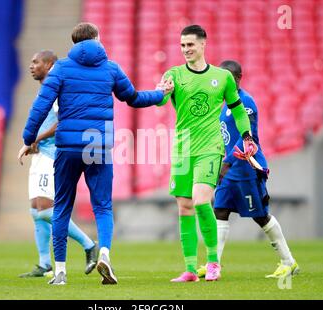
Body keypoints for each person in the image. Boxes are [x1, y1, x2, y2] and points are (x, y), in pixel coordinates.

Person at [19, 23, 173, 285]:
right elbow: (133, 98)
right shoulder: (110, 68)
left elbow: (42, 104)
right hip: (98, 146)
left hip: (67, 148)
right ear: (96, 39)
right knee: (102, 207)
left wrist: (28, 137)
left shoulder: (62, 69)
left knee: (63, 208)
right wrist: (161, 94)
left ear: (74, 41)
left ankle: (60, 272)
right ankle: (104, 254)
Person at [156, 25, 257, 282]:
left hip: (210, 148)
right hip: (182, 149)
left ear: (203, 44)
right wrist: (161, 92)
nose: (186, 50)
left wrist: (247, 137)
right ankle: (190, 269)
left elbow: (237, 109)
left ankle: (213, 263)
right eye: (182, 45)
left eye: (190, 44)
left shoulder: (222, 77)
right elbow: (159, 102)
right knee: (185, 207)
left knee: (201, 201)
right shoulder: (174, 74)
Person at [197, 60, 299, 279]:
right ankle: (214, 264)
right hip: (229, 169)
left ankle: (288, 261)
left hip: (247, 168)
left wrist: (225, 164)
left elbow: (247, 139)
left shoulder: (246, 102)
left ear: (238, 78)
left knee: (260, 215)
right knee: (220, 211)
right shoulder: (222, 104)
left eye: (229, 77)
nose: (224, 81)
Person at [18, 50, 98, 278]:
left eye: (36, 62)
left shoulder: (56, 89)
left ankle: (88, 244)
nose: (31, 66)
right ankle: (45, 264)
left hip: (54, 154)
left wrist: (37, 138)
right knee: (35, 211)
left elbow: (64, 121)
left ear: (49, 64)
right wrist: (35, 142)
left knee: (45, 209)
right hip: (41, 153)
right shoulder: (43, 90)